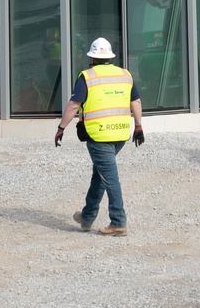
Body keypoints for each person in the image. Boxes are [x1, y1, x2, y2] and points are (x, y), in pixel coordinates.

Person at [54, 37, 144, 236]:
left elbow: (74, 105)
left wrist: (61, 128)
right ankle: (87, 217)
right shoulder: (125, 74)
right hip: (120, 133)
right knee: (101, 174)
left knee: (109, 177)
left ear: (92, 58)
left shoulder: (88, 76)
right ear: (109, 57)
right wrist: (138, 126)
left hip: (99, 136)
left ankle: (118, 222)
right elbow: (135, 101)